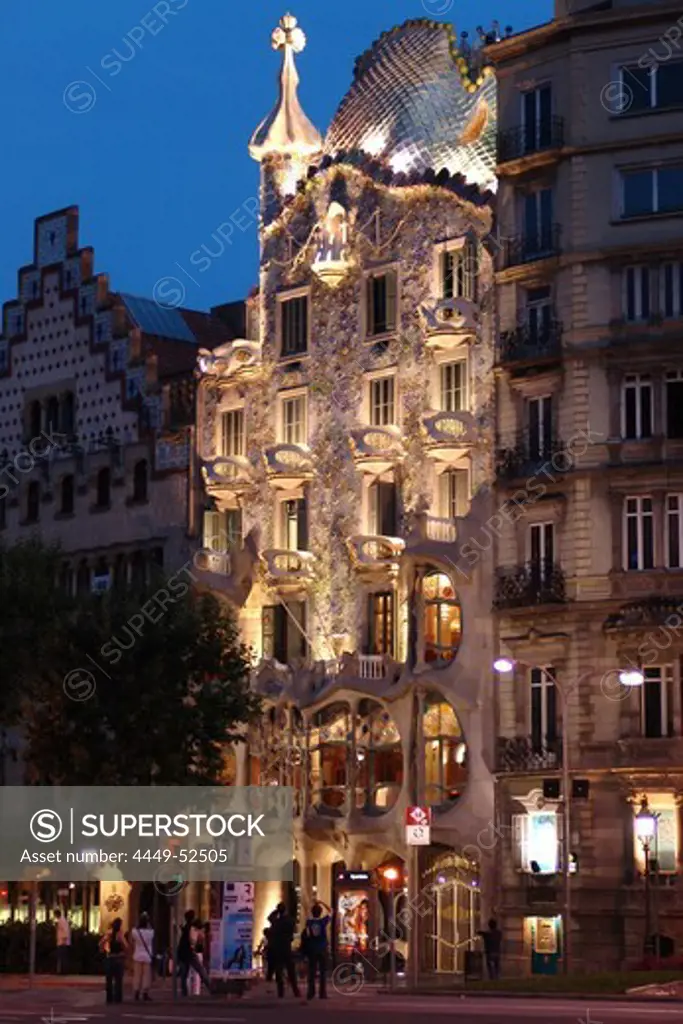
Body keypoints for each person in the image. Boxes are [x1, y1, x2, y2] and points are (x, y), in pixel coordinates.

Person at [268, 902, 300, 999]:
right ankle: (296, 991)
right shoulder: (290, 921)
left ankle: (280, 992)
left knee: (279, 971)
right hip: (286, 947)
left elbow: (269, 917)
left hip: (278, 948)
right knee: (291, 971)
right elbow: (293, 923)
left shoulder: (277, 922)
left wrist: (277, 911)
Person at [177, 909, 211, 997]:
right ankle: (211, 988)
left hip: (183, 953)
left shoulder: (186, 927)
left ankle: (184, 993)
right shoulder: (191, 927)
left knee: (184, 974)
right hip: (190, 952)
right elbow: (193, 940)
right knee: (200, 970)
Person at [303, 901, 331, 1001]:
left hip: (312, 948)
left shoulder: (309, 922)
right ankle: (322, 993)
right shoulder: (323, 921)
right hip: (322, 948)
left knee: (312, 971)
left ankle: (311, 992)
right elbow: (331, 911)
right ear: (320, 912)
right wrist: (322, 903)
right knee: (323, 971)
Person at [100, 917, 127, 1004]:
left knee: (109, 979)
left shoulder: (109, 933)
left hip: (109, 957)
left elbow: (101, 943)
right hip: (118, 958)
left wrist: (103, 950)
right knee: (118, 980)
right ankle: (117, 998)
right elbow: (126, 946)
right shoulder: (120, 934)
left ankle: (109, 998)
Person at [130, 911, 154, 1001]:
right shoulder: (150, 932)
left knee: (137, 975)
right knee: (146, 976)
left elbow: (132, 939)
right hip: (147, 956)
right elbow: (152, 931)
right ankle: (145, 992)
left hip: (137, 955)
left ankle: (136, 991)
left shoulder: (135, 932)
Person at [54, 909, 71, 975]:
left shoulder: (62, 921)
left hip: (62, 942)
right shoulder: (62, 921)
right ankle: (62, 971)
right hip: (62, 941)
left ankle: (63, 971)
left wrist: (64, 940)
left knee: (62, 957)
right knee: (62, 957)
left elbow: (65, 931)